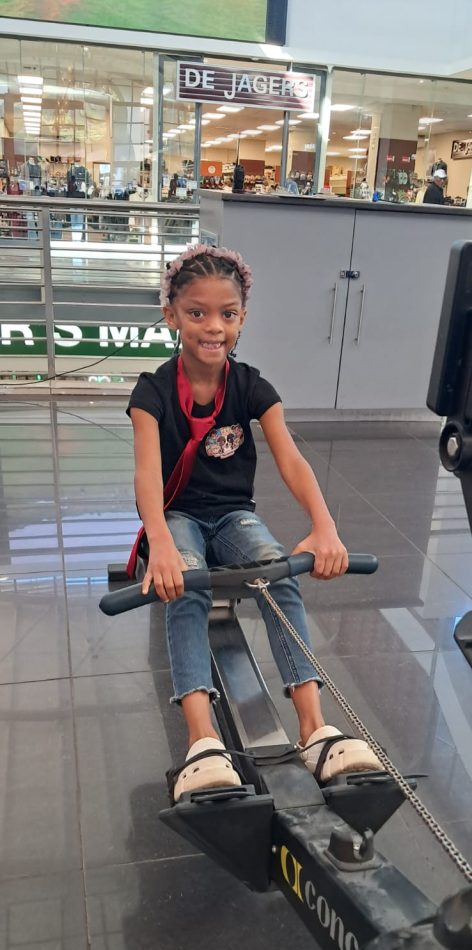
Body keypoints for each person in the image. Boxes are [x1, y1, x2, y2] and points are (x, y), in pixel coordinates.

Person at [127, 244, 382, 801]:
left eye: (227, 314)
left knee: (277, 574)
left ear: (242, 318)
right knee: (186, 588)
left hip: (233, 515)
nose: (213, 327)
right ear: (171, 315)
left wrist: (324, 527)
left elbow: (291, 459)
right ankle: (202, 742)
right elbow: (146, 474)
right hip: (178, 513)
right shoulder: (151, 392)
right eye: (196, 313)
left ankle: (314, 729)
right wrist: (161, 544)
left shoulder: (251, 386)